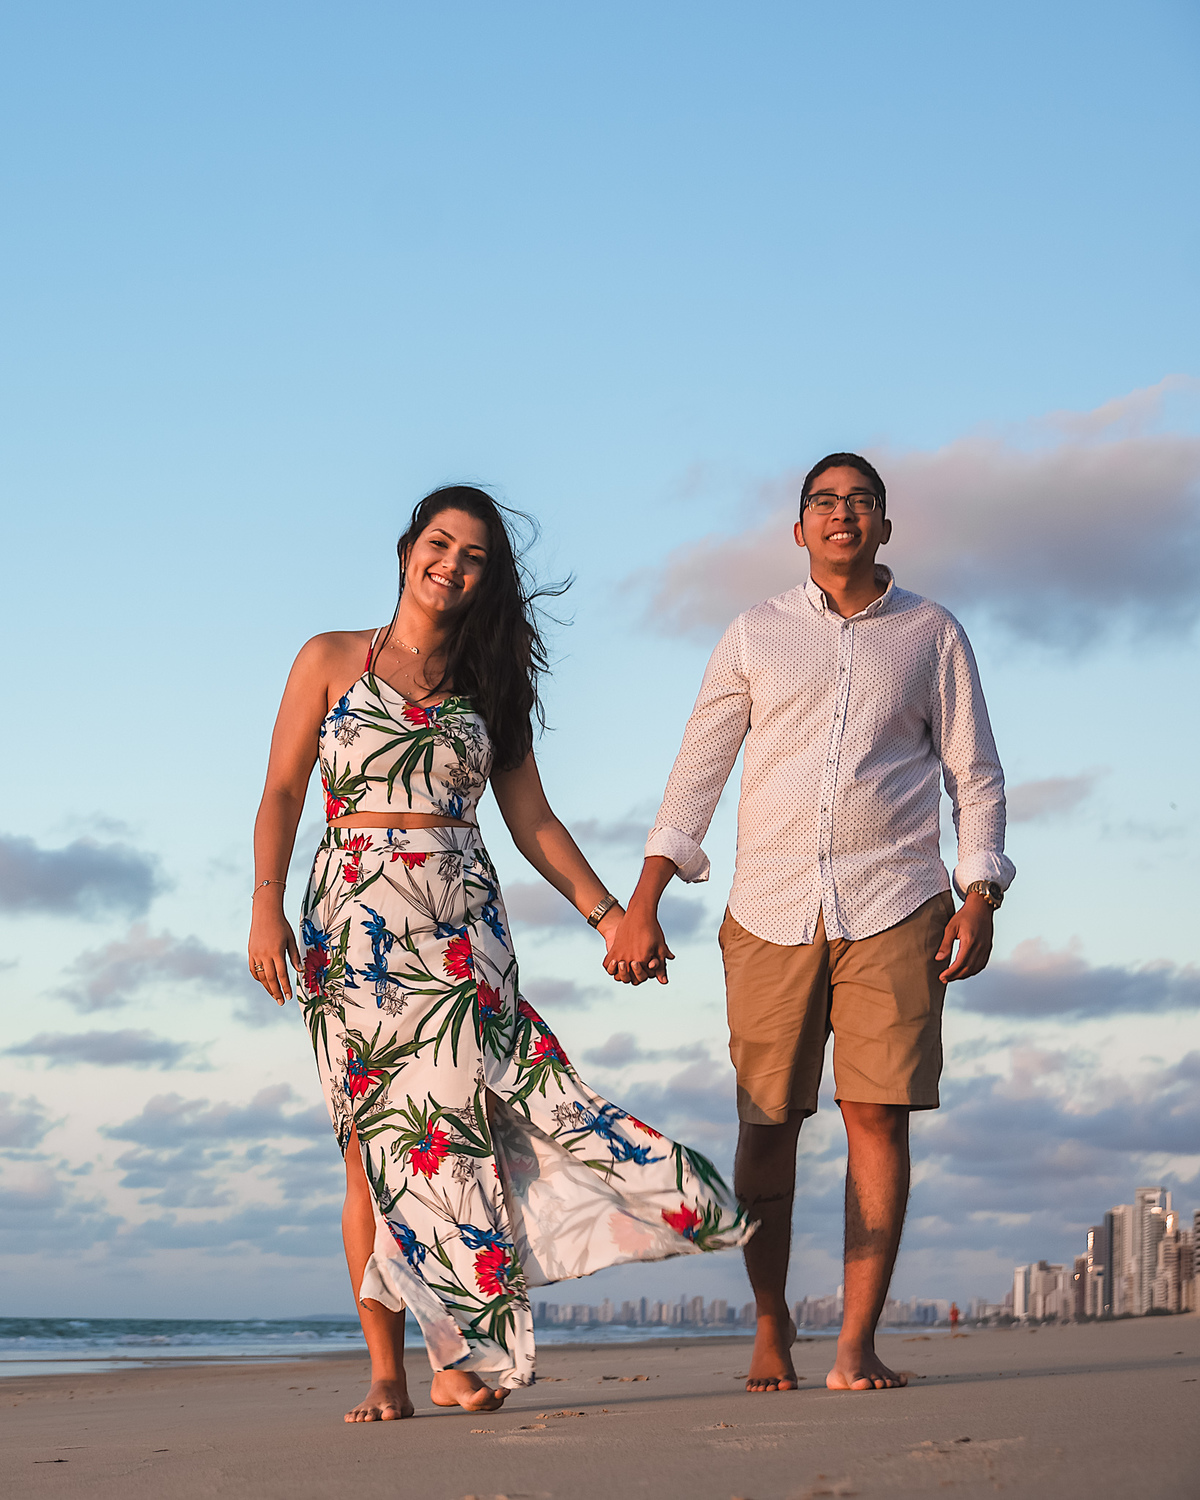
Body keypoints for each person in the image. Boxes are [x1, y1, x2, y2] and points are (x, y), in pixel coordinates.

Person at [248, 485, 750, 1423]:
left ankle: (458, 1353)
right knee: (372, 1148)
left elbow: (533, 821)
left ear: (489, 578)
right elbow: (282, 792)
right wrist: (265, 908)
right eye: (440, 543)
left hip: (460, 928)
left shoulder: (493, 690)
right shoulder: (327, 660)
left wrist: (611, 916)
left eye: (475, 555)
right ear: (407, 550)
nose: (452, 564)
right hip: (352, 934)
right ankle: (388, 1373)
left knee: (467, 1133)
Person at [606, 453, 1014, 1394]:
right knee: (767, 1123)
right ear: (799, 530)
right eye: (824, 503)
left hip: (897, 901)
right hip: (770, 910)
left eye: (860, 502)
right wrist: (644, 899)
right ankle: (768, 1320)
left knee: (877, 1114)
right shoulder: (754, 632)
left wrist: (981, 891)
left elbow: (975, 774)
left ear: (884, 527)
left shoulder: (931, 633)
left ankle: (855, 1342)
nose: (842, 515)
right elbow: (698, 768)